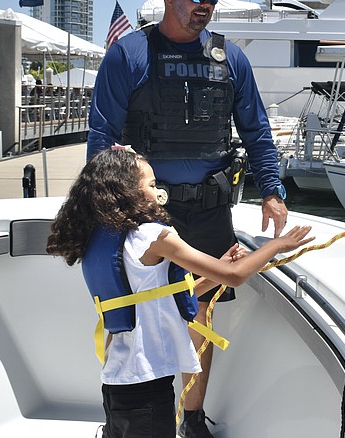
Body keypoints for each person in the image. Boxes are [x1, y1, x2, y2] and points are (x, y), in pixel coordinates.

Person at [87, 0, 289, 437]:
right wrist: (105, 211)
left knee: (200, 313)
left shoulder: (231, 59)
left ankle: (191, 417)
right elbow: (101, 138)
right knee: (143, 314)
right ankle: (139, 416)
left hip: (208, 209)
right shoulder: (129, 55)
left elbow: (257, 132)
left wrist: (273, 192)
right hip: (146, 213)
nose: (206, 6)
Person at [46, 147, 313, 438]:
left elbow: (155, 297)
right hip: (148, 388)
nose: (158, 190)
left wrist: (216, 270)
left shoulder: (104, 235)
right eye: (150, 185)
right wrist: (276, 246)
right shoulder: (152, 237)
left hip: (117, 384)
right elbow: (235, 277)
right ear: (127, 191)